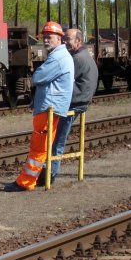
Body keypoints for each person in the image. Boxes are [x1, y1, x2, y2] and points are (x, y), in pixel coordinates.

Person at [5, 21, 74, 192]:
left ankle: (26, 182)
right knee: (42, 146)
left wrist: (38, 73)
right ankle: (35, 179)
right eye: (44, 37)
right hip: (51, 108)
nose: (45, 40)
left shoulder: (57, 58)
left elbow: (37, 77)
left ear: (59, 38)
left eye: (49, 37)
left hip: (48, 109)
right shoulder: (61, 56)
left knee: (38, 147)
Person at [38, 27, 98, 185]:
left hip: (75, 103)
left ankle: (50, 175)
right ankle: (47, 172)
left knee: (57, 140)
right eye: (63, 39)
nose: (65, 42)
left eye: (68, 39)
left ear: (78, 41)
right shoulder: (83, 55)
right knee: (56, 138)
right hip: (81, 100)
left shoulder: (76, 59)